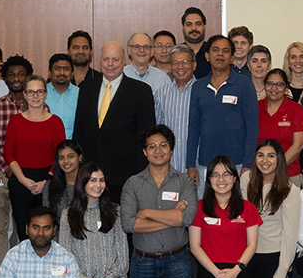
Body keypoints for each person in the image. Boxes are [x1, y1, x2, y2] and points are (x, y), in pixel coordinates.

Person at [121, 126, 196, 278]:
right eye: (152, 147)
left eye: (163, 145)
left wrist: (145, 213)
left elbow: (187, 218)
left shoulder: (185, 181)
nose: (158, 150)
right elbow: (128, 224)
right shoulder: (132, 183)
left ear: (171, 150)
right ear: (145, 152)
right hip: (144, 260)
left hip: (177, 259)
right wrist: (173, 216)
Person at [190, 155, 263, 278]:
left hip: (240, 270)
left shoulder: (248, 208)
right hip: (211, 272)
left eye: (226, 174)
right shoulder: (198, 208)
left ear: (235, 179)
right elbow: (195, 246)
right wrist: (217, 273)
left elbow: (252, 245)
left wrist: (235, 271)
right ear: (209, 180)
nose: (221, 180)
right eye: (215, 175)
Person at [72, 41, 156, 202]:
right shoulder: (86, 88)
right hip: (91, 175)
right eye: (106, 59)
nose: (110, 64)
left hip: (125, 176)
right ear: (99, 61)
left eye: (115, 60)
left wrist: (140, 177)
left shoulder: (141, 91)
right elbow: (79, 130)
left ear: (124, 62)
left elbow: (146, 138)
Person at [60, 163, 129, 278]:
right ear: (82, 183)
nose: (98, 185)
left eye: (102, 180)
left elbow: (123, 256)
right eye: (92, 180)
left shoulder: (115, 211)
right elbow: (65, 256)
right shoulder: (68, 214)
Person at [185, 36, 259, 185]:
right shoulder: (198, 87)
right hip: (206, 163)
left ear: (232, 58)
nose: (220, 54)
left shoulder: (244, 85)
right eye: (215, 50)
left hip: (237, 163)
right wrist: (190, 165)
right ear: (207, 56)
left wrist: (247, 164)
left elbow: (252, 128)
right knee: (207, 206)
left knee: (237, 207)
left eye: (225, 51)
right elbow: (193, 128)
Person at [240, 140, 301, 278]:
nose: (264, 160)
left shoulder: (291, 190)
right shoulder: (246, 179)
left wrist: (281, 274)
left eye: (271, 156)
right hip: (246, 253)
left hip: (272, 254)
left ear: (279, 160)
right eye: (260, 155)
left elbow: (290, 236)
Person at [0, 56, 37, 264]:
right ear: (4, 78)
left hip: (28, 176)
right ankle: (1, 273)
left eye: (21, 74)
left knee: (23, 224)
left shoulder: (39, 108)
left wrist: (21, 173)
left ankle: (21, 269)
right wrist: (8, 168)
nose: (16, 78)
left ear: (28, 77)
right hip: (1, 174)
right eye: (11, 74)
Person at [6, 76, 67, 240]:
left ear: (46, 94)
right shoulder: (15, 121)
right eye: (31, 92)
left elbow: (61, 156)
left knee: (48, 230)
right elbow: (9, 154)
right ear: (25, 94)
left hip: (49, 180)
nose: (35, 96)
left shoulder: (56, 122)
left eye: (39, 91)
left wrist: (46, 183)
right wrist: (23, 180)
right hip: (21, 181)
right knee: (23, 229)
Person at [258, 68, 303, 183]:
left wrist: (276, 168)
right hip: (260, 175)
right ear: (264, 85)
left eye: (279, 84)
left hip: (288, 174)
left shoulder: (296, 109)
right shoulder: (255, 108)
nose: (274, 88)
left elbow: (299, 145)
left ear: (286, 87)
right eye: (270, 84)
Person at [154, 44, 198, 175]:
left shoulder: (203, 92)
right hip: (168, 166)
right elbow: (157, 130)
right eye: (175, 63)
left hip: (196, 167)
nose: (180, 67)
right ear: (169, 66)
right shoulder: (161, 94)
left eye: (184, 62)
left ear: (194, 65)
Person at [44, 139, 84, 217]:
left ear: (80, 158)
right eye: (61, 158)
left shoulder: (89, 184)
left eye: (70, 157)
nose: (65, 161)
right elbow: (48, 218)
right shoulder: (49, 186)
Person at [44, 52, 79, 134]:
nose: (62, 73)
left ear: (72, 74)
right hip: (46, 145)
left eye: (66, 69)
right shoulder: (40, 94)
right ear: (49, 73)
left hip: (73, 145)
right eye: (57, 68)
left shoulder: (80, 94)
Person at [181, 7, 212, 79]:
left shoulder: (213, 52)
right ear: (183, 27)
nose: (194, 28)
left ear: (204, 26)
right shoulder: (177, 53)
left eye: (198, 24)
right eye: (189, 24)